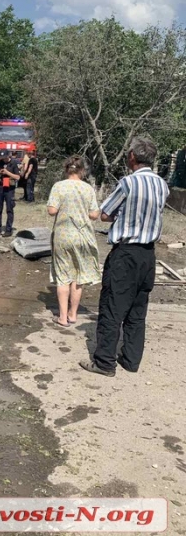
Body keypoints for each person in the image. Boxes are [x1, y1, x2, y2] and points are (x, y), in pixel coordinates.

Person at [80, 137, 169, 377]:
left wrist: (119, 215)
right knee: (137, 310)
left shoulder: (128, 183)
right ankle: (130, 359)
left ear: (132, 156)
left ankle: (104, 362)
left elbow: (105, 214)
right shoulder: (162, 184)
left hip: (126, 253)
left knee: (112, 307)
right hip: (148, 254)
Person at [47, 156, 101, 327]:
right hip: (83, 236)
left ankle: (62, 317)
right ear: (82, 170)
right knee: (78, 276)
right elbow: (94, 214)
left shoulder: (59, 186)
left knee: (63, 277)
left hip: (63, 236)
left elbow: (52, 210)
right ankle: (73, 314)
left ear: (66, 169)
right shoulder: (88, 188)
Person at [0, 154, 20, 236]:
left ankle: (8, 229)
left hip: (9, 188)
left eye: (5, 157)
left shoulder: (14, 163)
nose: (3, 159)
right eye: (2, 158)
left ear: (8, 156)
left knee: (9, 209)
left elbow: (17, 177)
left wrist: (7, 172)